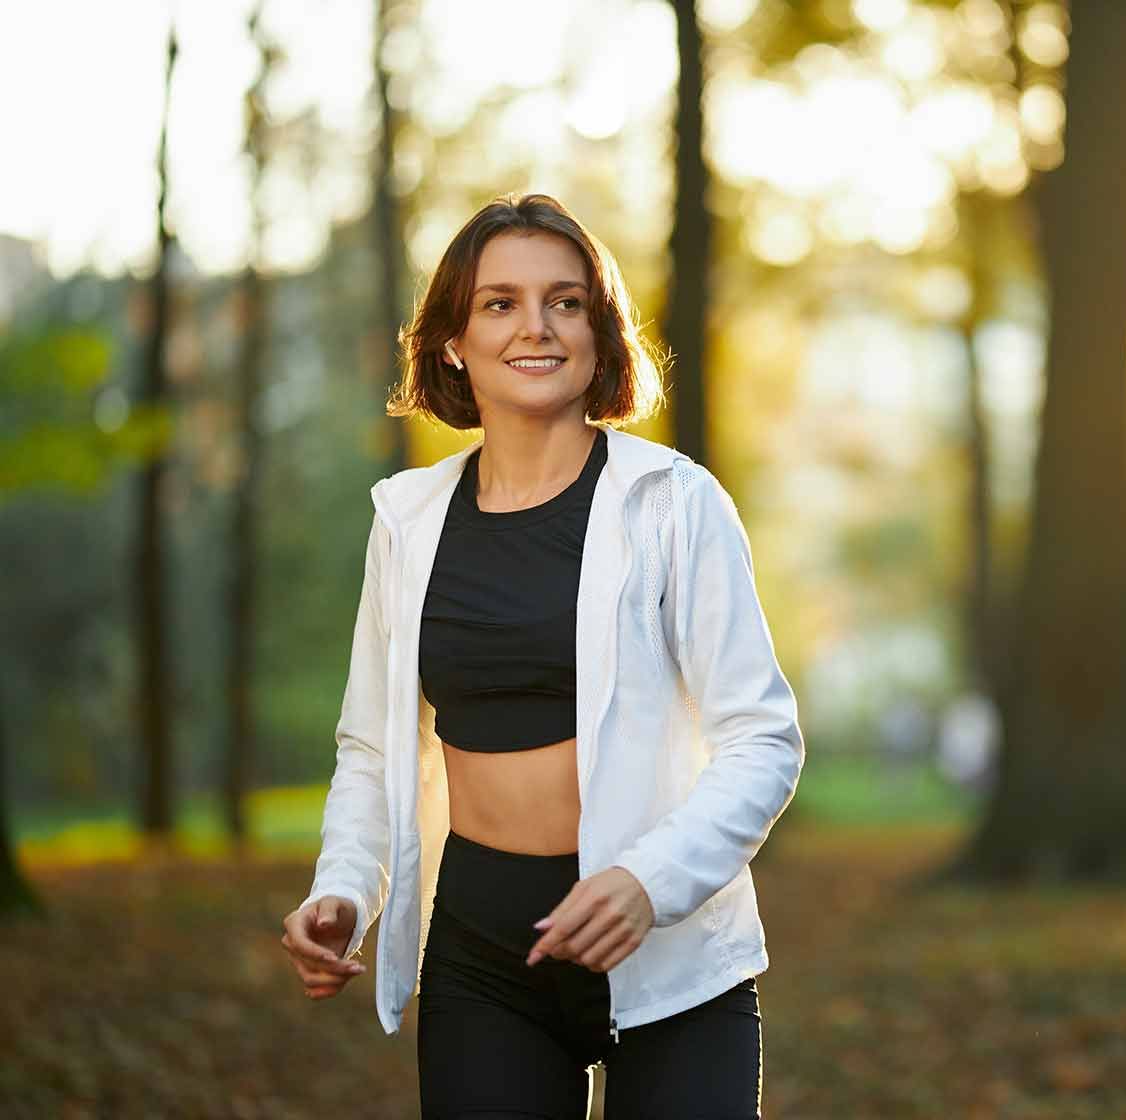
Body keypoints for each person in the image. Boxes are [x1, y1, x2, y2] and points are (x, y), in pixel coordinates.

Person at [277, 193, 804, 1118]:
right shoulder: (407, 521)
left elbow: (764, 739)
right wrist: (345, 891)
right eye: (500, 303)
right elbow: (371, 747)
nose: (537, 327)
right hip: (484, 958)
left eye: (566, 302)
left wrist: (651, 881)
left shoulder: (674, 503)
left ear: (599, 332)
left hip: (670, 954)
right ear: (451, 340)